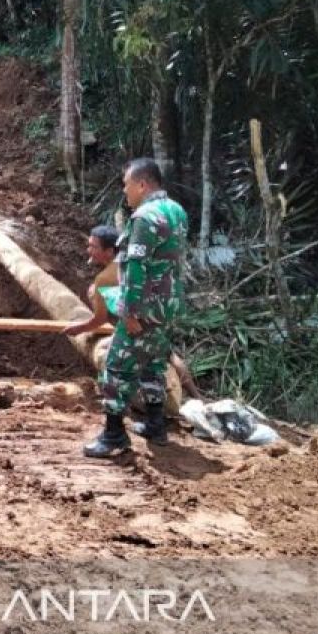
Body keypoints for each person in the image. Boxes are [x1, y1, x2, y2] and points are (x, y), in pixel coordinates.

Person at [82, 158, 189, 457]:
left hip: (145, 307)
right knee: (154, 363)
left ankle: (114, 435)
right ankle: (156, 424)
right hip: (169, 305)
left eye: (127, 185)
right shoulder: (176, 211)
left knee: (116, 366)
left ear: (142, 184)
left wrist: (129, 312)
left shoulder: (144, 217)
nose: (124, 191)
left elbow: (136, 268)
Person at [63, 225, 120, 336]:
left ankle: (119, 331)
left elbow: (100, 319)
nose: (88, 250)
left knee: (94, 291)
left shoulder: (104, 279)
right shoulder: (127, 259)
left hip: (138, 325)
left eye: (94, 247)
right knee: (94, 290)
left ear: (109, 251)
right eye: (89, 246)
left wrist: (80, 329)